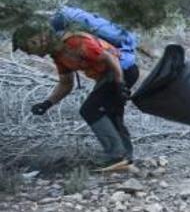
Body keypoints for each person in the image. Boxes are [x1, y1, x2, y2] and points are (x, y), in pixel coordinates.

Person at [12, 22, 136, 171]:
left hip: (121, 71)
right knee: (110, 113)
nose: (29, 53)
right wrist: (47, 103)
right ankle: (126, 157)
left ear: (38, 38)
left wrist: (119, 83)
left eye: (27, 47)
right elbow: (66, 84)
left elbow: (110, 58)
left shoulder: (74, 42)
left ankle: (116, 156)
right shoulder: (58, 55)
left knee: (90, 109)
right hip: (110, 76)